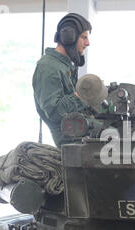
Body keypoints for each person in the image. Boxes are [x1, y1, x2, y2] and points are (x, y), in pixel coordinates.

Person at [32, 13, 102, 148]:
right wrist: (81, 95)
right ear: (69, 38)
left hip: (83, 129)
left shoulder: (64, 65)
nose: (87, 43)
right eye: (83, 37)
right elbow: (54, 112)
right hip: (72, 138)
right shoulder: (48, 66)